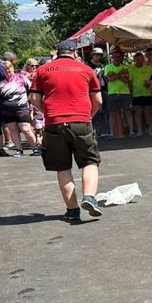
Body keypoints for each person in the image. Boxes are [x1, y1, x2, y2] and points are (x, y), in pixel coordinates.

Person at [29, 40, 104, 222]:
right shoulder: (86, 69)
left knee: (63, 167)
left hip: (54, 122)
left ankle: (72, 210)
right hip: (81, 120)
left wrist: (47, 113)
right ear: (74, 52)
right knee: (89, 162)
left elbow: (34, 98)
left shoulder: (43, 70)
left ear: (57, 51)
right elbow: (99, 100)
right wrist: (89, 115)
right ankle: (89, 197)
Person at [0, 61, 39, 156]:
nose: (8, 70)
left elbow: (31, 90)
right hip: (7, 110)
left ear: (13, 68)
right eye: (5, 69)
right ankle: (18, 149)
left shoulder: (21, 78)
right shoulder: (1, 83)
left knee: (26, 129)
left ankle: (35, 148)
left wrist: (30, 104)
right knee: (13, 130)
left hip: (22, 108)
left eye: (10, 68)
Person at [104, 49, 135, 138]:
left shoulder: (126, 67)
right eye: (115, 57)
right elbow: (110, 79)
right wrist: (120, 74)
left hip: (124, 93)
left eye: (118, 57)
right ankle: (111, 133)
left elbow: (126, 81)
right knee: (112, 113)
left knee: (128, 112)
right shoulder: (108, 67)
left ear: (121, 57)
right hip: (112, 93)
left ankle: (131, 131)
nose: (117, 58)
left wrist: (115, 75)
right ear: (112, 58)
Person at [129, 52, 152, 136]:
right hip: (136, 94)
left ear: (144, 59)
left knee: (149, 112)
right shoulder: (131, 69)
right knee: (138, 113)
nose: (139, 61)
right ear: (134, 60)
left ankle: (150, 128)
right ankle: (139, 130)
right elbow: (129, 82)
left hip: (148, 93)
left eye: (141, 59)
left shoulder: (149, 69)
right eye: (137, 60)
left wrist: (149, 85)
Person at [88, 47, 111, 137]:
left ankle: (105, 130)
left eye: (100, 55)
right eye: (97, 55)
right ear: (92, 55)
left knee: (106, 110)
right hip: (93, 91)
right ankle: (95, 130)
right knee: (95, 110)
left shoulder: (103, 66)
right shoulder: (87, 65)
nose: (99, 57)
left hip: (104, 89)